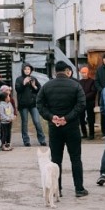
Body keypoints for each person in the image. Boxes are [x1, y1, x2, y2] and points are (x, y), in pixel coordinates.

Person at [36, 61, 88, 198]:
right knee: (75, 158)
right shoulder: (75, 85)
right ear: (67, 71)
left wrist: (51, 117)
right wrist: (67, 118)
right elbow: (81, 104)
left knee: (56, 160)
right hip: (72, 127)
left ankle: (56, 189)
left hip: (55, 127)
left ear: (55, 72)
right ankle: (79, 189)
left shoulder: (47, 86)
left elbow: (39, 103)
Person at [14, 63, 47, 147]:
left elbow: (39, 90)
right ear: (22, 70)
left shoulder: (33, 78)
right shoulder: (19, 79)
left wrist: (34, 86)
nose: (27, 71)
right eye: (25, 69)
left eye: (28, 69)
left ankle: (42, 140)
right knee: (24, 123)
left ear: (31, 70)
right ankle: (26, 141)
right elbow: (17, 89)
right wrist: (23, 83)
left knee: (37, 121)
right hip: (23, 104)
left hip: (33, 104)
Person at [78, 66, 97, 139]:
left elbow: (93, 92)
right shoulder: (79, 82)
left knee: (90, 119)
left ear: (88, 73)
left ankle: (91, 134)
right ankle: (84, 133)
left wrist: (83, 97)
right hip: (81, 103)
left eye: (85, 73)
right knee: (81, 118)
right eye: (82, 73)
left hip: (90, 102)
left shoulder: (92, 81)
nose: (83, 74)